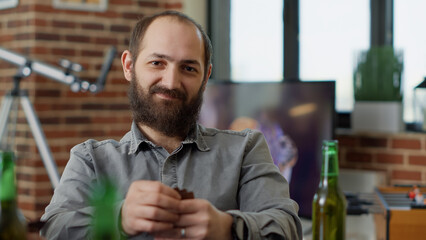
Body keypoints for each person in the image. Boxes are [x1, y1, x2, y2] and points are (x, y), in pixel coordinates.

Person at [40, 10, 302, 240]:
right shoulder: (91, 159)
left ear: (205, 76)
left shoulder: (246, 149)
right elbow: (52, 229)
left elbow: (288, 227)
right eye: (157, 63)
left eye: (188, 68)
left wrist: (228, 227)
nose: (171, 82)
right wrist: (119, 218)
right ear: (129, 66)